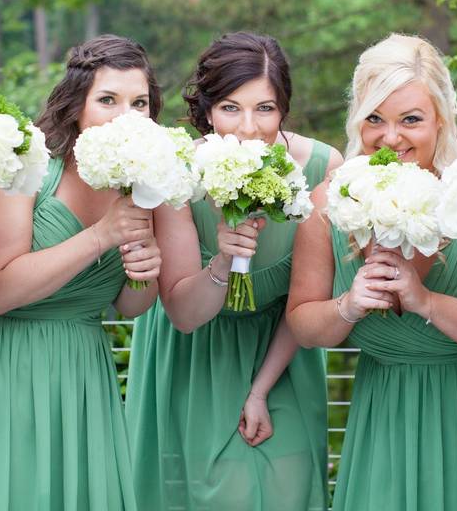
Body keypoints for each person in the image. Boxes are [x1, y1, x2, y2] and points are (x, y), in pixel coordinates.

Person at [287, 33, 457, 510]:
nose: (390, 137)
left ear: (441, 118)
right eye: (375, 118)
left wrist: (427, 302)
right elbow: (303, 324)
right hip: (390, 407)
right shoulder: (330, 200)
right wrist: (348, 305)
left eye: (410, 120)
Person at [0, 35, 162, 509]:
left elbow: (131, 304)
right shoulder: (29, 165)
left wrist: (147, 270)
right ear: (76, 105)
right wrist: (102, 235)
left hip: (77, 380)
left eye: (139, 102)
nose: (127, 116)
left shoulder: (142, 180)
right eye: (108, 100)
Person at [126, 32, 341, 510]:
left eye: (265, 109)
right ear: (205, 109)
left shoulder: (324, 167)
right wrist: (223, 258)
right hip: (189, 356)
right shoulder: (176, 169)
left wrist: (260, 389)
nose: (248, 128)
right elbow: (183, 313)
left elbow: (304, 301)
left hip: (284, 356)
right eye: (229, 108)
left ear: (284, 108)